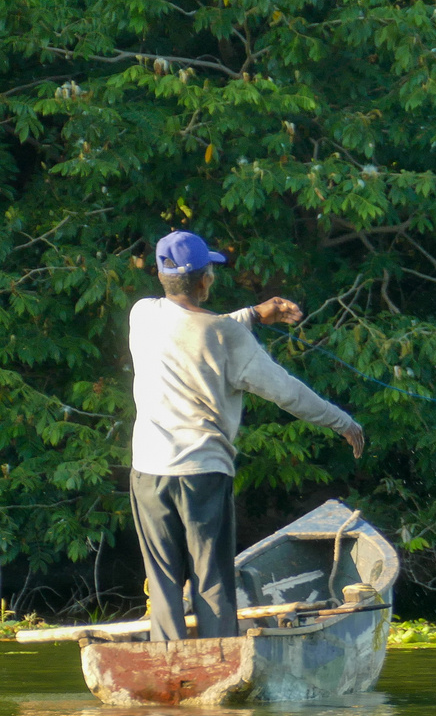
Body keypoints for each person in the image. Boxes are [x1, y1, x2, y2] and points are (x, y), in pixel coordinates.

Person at [129, 230, 365, 641]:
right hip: (202, 473)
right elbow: (288, 392)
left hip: (148, 471)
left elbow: (197, 331)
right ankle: (218, 656)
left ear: (162, 275)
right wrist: (342, 421)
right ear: (205, 280)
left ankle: (165, 659)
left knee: (164, 581)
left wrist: (256, 313)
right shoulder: (228, 337)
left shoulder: (142, 314)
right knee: (212, 580)